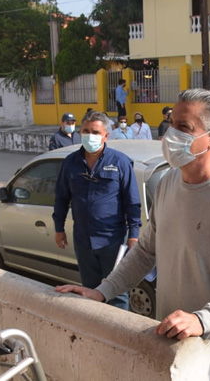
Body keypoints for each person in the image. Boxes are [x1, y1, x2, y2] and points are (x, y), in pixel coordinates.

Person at [54, 88, 210, 381]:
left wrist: (202, 319)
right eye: (171, 124)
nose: (170, 134)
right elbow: (145, 251)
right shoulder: (168, 182)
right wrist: (103, 290)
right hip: (170, 342)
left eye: (184, 127)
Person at [52, 110, 142, 311]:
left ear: (106, 135)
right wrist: (59, 228)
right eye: (86, 131)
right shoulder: (71, 162)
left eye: (95, 132)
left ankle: (118, 329)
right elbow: (61, 198)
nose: (90, 136)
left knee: (117, 293)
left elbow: (132, 202)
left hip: (113, 240)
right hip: (83, 241)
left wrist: (133, 235)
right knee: (89, 291)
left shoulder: (120, 162)